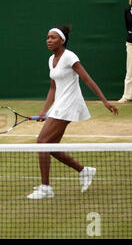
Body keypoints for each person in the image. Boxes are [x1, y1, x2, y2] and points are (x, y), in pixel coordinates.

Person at [27, 26, 118, 200]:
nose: (49, 40)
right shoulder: (50, 59)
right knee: (50, 146)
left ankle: (46, 187)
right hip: (60, 104)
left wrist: (104, 101)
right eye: (47, 37)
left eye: (53, 37)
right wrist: (44, 110)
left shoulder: (70, 57)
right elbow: (53, 87)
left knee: (42, 141)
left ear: (62, 40)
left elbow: (87, 79)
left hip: (70, 103)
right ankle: (84, 171)